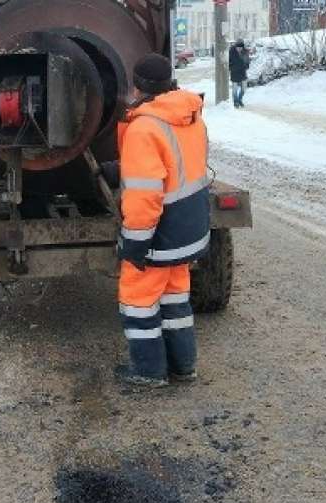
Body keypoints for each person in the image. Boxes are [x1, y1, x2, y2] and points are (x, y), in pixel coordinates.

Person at [113, 53, 211, 388]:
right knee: (175, 300)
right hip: (188, 227)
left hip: (159, 235)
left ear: (138, 87)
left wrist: (135, 244)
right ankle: (183, 367)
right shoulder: (190, 116)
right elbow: (178, 168)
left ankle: (149, 371)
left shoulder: (144, 128)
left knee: (139, 302)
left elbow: (145, 196)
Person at [229, 39, 250, 108]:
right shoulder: (231, 52)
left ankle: (240, 99)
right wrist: (232, 68)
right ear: (235, 47)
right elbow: (228, 63)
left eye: (241, 47)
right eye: (238, 47)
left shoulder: (245, 52)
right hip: (234, 73)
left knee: (244, 89)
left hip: (243, 73)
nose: (239, 49)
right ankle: (236, 102)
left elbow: (247, 61)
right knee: (235, 89)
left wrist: (246, 65)